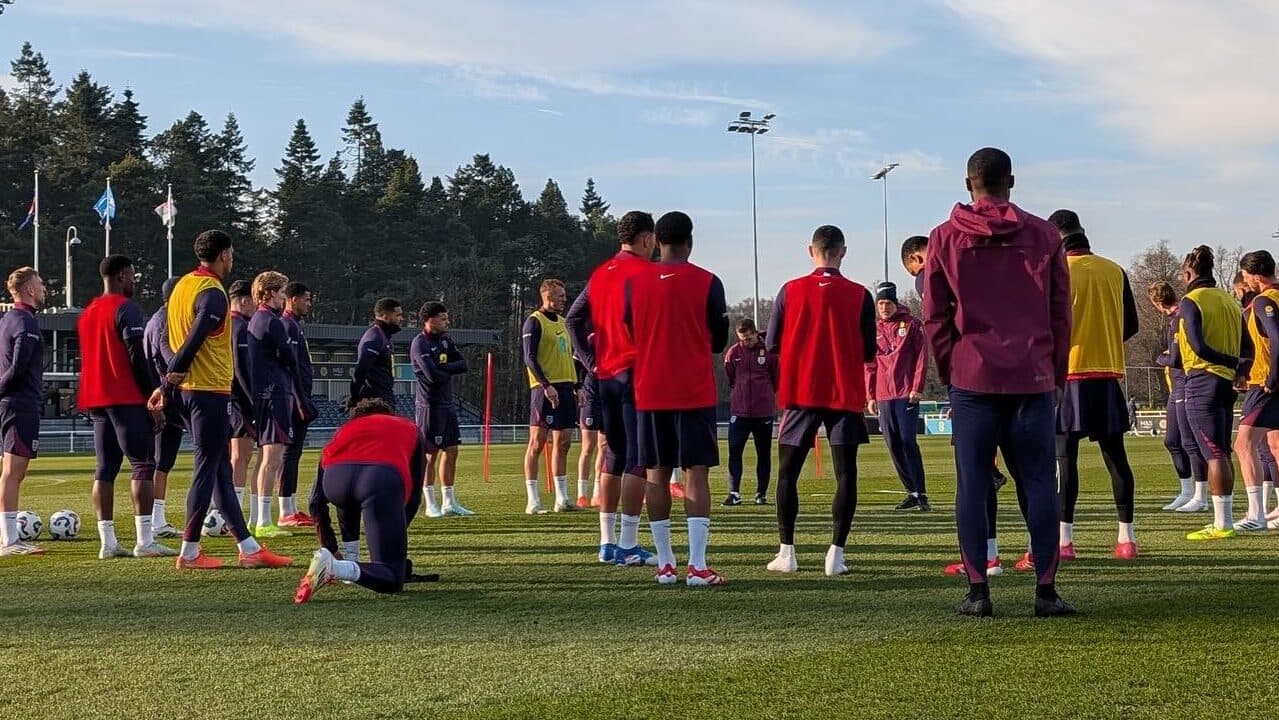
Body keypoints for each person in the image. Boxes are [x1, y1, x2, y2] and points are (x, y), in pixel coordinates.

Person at [923, 147, 1074, 617]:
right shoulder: (1045, 235)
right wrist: (1057, 374)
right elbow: (1059, 311)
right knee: (1037, 484)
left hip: (973, 376)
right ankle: (1045, 591)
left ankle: (977, 592)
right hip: (1031, 375)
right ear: (1012, 180)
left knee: (972, 484)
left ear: (969, 183)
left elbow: (935, 316)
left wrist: (951, 369)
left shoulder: (944, 237)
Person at [152, 229, 290, 570]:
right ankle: (190, 551)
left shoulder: (182, 285)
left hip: (189, 391)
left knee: (218, 472)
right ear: (225, 254)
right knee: (206, 469)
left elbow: (168, 340)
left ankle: (248, 547)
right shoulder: (212, 293)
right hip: (207, 391)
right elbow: (195, 340)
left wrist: (169, 381)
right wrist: (171, 381)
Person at [764, 225, 876, 577]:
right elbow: (870, 350)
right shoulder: (860, 294)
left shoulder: (790, 290)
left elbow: (771, 344)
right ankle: (836, 554)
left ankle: (787, 552)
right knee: (846, 474)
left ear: (809, 250)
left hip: (803, 391)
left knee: (787, 474)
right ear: (843, 252)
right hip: (844, 392)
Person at [625, 211, 730, 586]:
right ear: (690, 241)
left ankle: (665, 564)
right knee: (695, 473)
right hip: (693, 389)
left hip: (651, 390)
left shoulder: (636, 283)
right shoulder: (708, 282)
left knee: (656, 473)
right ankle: (698, 566)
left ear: (655, 241)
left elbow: (629, 332)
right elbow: (719, 340)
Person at [903, 235, 1008, 578]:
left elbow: (942, 326)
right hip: (1018, 371)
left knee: (973, 474)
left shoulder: (933, 273)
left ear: (917, 258)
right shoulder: (979, 265)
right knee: (1030, 472)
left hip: (974, 377)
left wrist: (955, 385)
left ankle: (984, 558)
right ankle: (1041, 555)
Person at [1046, 209, 1140, 561]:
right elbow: (1130, 325)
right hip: (1107, 374)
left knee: (1064, 460)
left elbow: (1046, 325)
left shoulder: (1058, 272)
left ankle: (1065, 542)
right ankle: (1126, 539)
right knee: (1116, 458)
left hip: (1069, 374)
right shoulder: (1114, 270)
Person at [567, 210, 659, 567]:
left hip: (606, 376)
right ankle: (629, 543)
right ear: (647, 239)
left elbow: (574, 318)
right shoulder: (647, 273)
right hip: (637, 373)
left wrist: (591, 361)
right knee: (638, 456)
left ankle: (606, 544)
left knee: (614, 454)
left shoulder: (601, 273)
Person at [76, 255, 174, 559]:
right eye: (132, 275)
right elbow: (136, 358)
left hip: (96, 398)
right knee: (143, 464)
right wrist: (152, 397)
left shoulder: (88, 312)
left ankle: (108, 542)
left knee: (104, 469)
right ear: (120, 276)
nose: (135, 280)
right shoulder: (125, 308)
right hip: (125, 397)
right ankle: (145, 540)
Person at [295, 398, 435, 603]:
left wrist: (329, 546)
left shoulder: (343, 430)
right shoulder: (409, 427)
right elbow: (413, 496)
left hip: (335, 479)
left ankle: (348, 557)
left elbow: (316, 501)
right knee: (392, 579)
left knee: (347, 498)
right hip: (379, 479)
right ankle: (336, 568)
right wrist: (395, 531)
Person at [1178, 247, 1251, 541]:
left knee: (1214, 452)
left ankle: (1222, 524)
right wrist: (1239, 369)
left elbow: (1197, 345)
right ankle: (1226, 519)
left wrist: (1228, 362)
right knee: (1221, 450)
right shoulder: (1229, 301)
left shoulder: (1191, 300)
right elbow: (1249, 347)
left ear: (1188, 274)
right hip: (1223, 384)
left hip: (1201, 379)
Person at [247, 271, 310, 537]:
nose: (284, 298)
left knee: (266, 458)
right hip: (275, 394)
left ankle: (258, 518)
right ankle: (263, 521)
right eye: (282, 293)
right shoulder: (270, 322)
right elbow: (288, 357)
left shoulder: (258, 320)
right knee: (272, 459)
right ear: (271, 293)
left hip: (266, 394)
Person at [866, 281, 930, 512]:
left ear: (895, 303)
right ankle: (911, 491)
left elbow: (922, 357)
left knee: (908, 441)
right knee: (892, 443)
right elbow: (870, 364)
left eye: (888, 303)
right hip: (884, 395)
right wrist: (870, 395)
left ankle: (921, 492)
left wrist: (917, 387)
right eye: (880, 303)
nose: (884, 307)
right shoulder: (873, 329)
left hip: (905, 393)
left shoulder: (912, 325)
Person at [409, 302, 474, 517]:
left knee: (452, 450)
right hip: (429, 405)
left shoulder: (445, 339)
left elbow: (463, 364)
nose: (448, 322)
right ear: (430, 320)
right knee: (430, 455)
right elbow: (431, 375)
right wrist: (443, 371)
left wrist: (443, 368)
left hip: (447, 404)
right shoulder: (420, 343)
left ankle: (449, 502)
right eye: (443, 318)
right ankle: (430, 503)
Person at [1149, 281, 1209, 512]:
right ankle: (1186, 491)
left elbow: (1176, 358)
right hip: (1176, 387)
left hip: (1184, 383)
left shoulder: (1178, 318)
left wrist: (1161, 358)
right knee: (1172, 441)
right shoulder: (1175, 318)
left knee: (1188, 442)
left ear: (1156, 302)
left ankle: (1199, 496)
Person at [521, 279, 580, 513]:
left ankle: (562, 499)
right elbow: (529, 358)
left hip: (566, 388)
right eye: (560, 295)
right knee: (536, 444)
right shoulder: (534, 322)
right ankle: (533, 500)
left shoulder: (565, 323)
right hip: (544, 390)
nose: (564, 299)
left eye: (564, 295)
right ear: (547, 296)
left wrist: (578, 387)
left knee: (563, 443)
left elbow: (569, 357)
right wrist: (545, 385)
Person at [0, 267, 46, 556]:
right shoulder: (26, 323)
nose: (44, 289)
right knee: (13, 472)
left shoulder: (8, 319)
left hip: (12, 404)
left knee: (11, 471)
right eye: (41, 284)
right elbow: (16, 368)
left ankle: (9, 536)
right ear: (29, 289)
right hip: (19, 404)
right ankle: (10, 540)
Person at [1232, 251, 1279, 531]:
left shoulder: (1263, 301)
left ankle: (1255, 515)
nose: (1245, 280)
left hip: (1265, 383)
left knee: (1243, 445)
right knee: (1274, 444)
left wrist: (1272, 377)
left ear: (1256, 275)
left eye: (1246, 275)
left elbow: (1276, 338)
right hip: (1270, 381)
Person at [144, 277, 185, 538]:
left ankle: (156, 520)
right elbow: (170, 360)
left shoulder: (155, 319)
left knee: (161, 462)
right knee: (161, 462)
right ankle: (156, 521)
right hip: (166, 399)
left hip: (159, 397)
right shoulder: (166, 321)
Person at [723, 318, 776, 506]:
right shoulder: (734, 353)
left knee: (764, 453)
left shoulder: (768, 351)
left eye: (748, 338)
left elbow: (776, 377)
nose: (745, 342)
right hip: (740, 411)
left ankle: (761, 494)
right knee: (735, 451)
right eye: (742, 339)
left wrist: (766, 394)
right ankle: (734, 493)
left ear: (755, 333)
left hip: (763, 411)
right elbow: (731, 377)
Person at [279, 282, 318, 527]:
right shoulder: (287, 325)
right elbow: (289, 368)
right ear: (292, 299)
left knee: (294, 454)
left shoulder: (295, 326)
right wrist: (299, 400)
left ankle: (291, 505)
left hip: (299, 398)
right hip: (293, 401)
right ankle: (285, 510)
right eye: (306, 299)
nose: (309, 304)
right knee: (288, 454)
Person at [226, 280, 258, 529]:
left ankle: (225, 509)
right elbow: (243, 370)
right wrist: (253, 400)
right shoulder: (240, 326)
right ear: (245, 300)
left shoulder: (223, 324)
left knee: (232, 455)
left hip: (223, 397)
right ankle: (232, 512)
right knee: (241, 456)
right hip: (238, 399)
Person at [350, 298, 403, 408]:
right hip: (375, 400)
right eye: (398, 315)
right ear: (385, 316)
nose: (401, 319)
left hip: (384, 396)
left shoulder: (384, 336)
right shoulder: (375, 338)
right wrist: (354, 397)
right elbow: (360, 370)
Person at [576, 353, 606, 508]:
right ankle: (582, 494)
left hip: (608, 398)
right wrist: (578, 387)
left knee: (604, 447)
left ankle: (597, 492)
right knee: (588, 447)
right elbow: (576, 365)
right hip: (591, 400)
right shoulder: (588, 339)